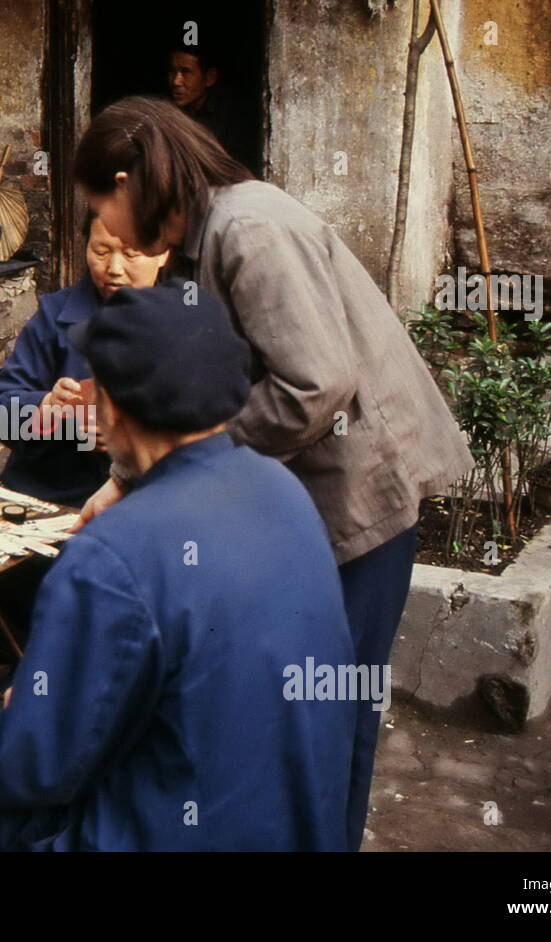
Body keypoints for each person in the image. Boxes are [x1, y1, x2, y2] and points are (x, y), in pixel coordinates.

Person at [73, 95, 476, 850]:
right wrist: (124, 481)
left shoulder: (248, 230)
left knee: (336, 712)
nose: (107, 228)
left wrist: (180, 476)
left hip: (358, 496)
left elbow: (314, 386)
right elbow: (198, 400)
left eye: (102, 204)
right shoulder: (199, 242)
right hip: (306, 501)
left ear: (129, 183)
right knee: (296, 713)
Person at [0, 283, 356, 852]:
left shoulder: (112, 552)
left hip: (159, 829)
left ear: (108, 407)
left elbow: (26, 770)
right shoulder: (282, 491)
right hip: (290, 822)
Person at [0, 212, 169, 507]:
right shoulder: (54, 316)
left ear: (163, 253)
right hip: (49, 500)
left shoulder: (187, 327)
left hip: (145, 507)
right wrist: (51, 412)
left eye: (132, 253)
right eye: (101, 251)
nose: (114, 268)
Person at [166, 44, 254, 173]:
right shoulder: (165, 113)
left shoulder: (232, 119)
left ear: (209, 78)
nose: (176, 81)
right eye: (172, 71)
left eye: (186, 72)